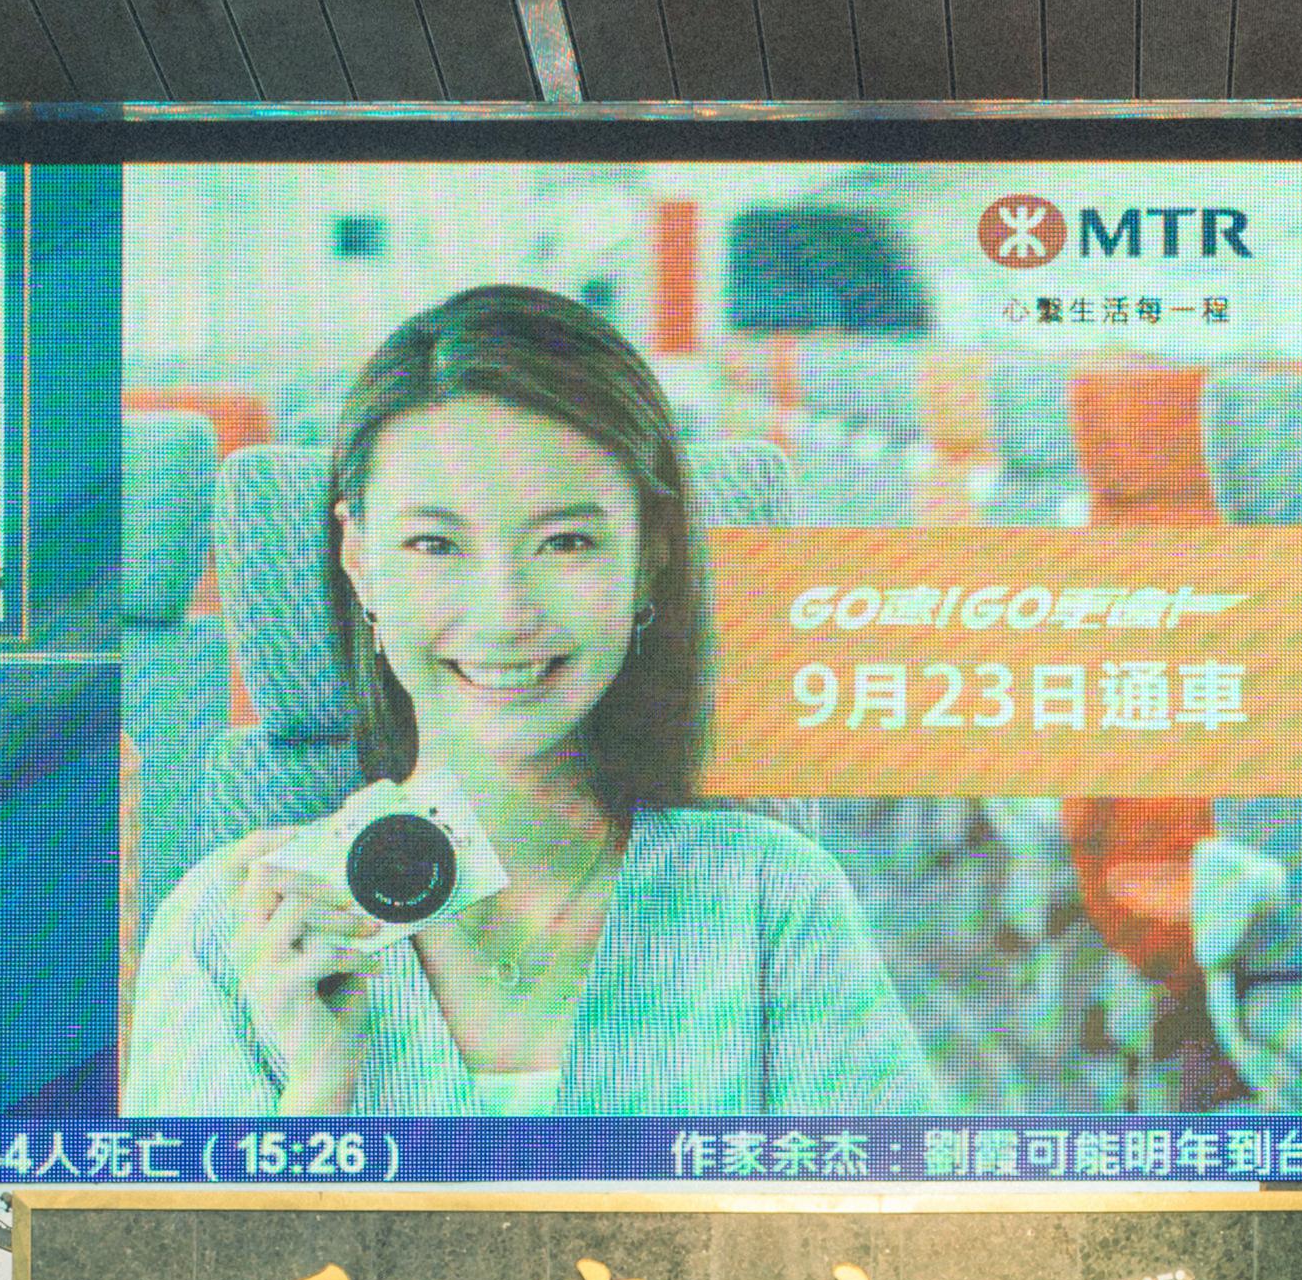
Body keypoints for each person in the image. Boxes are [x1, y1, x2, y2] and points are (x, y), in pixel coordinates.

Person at [124, 283, 932, 1120]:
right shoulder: (228, 929)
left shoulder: (772, 900)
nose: (505, 614)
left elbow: (902, 1235)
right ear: (359, 561)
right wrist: (317, 1097)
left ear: (650, 556)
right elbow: (188, 1257)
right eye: (434, 544)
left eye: (565, 542)